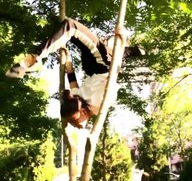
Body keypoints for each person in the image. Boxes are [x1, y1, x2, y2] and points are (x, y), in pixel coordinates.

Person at [6, 18, 143, 128]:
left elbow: (72, 80)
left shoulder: (77, 101)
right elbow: (115, 71)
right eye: (81, 115)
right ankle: (31, 60)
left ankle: (133, 50)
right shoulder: (101, 103)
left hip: (91, 68)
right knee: (70, 26)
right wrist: (122, 38)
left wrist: (68, 61)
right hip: (106, 66)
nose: (75, 98)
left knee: (72, 33)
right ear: (83, 111)